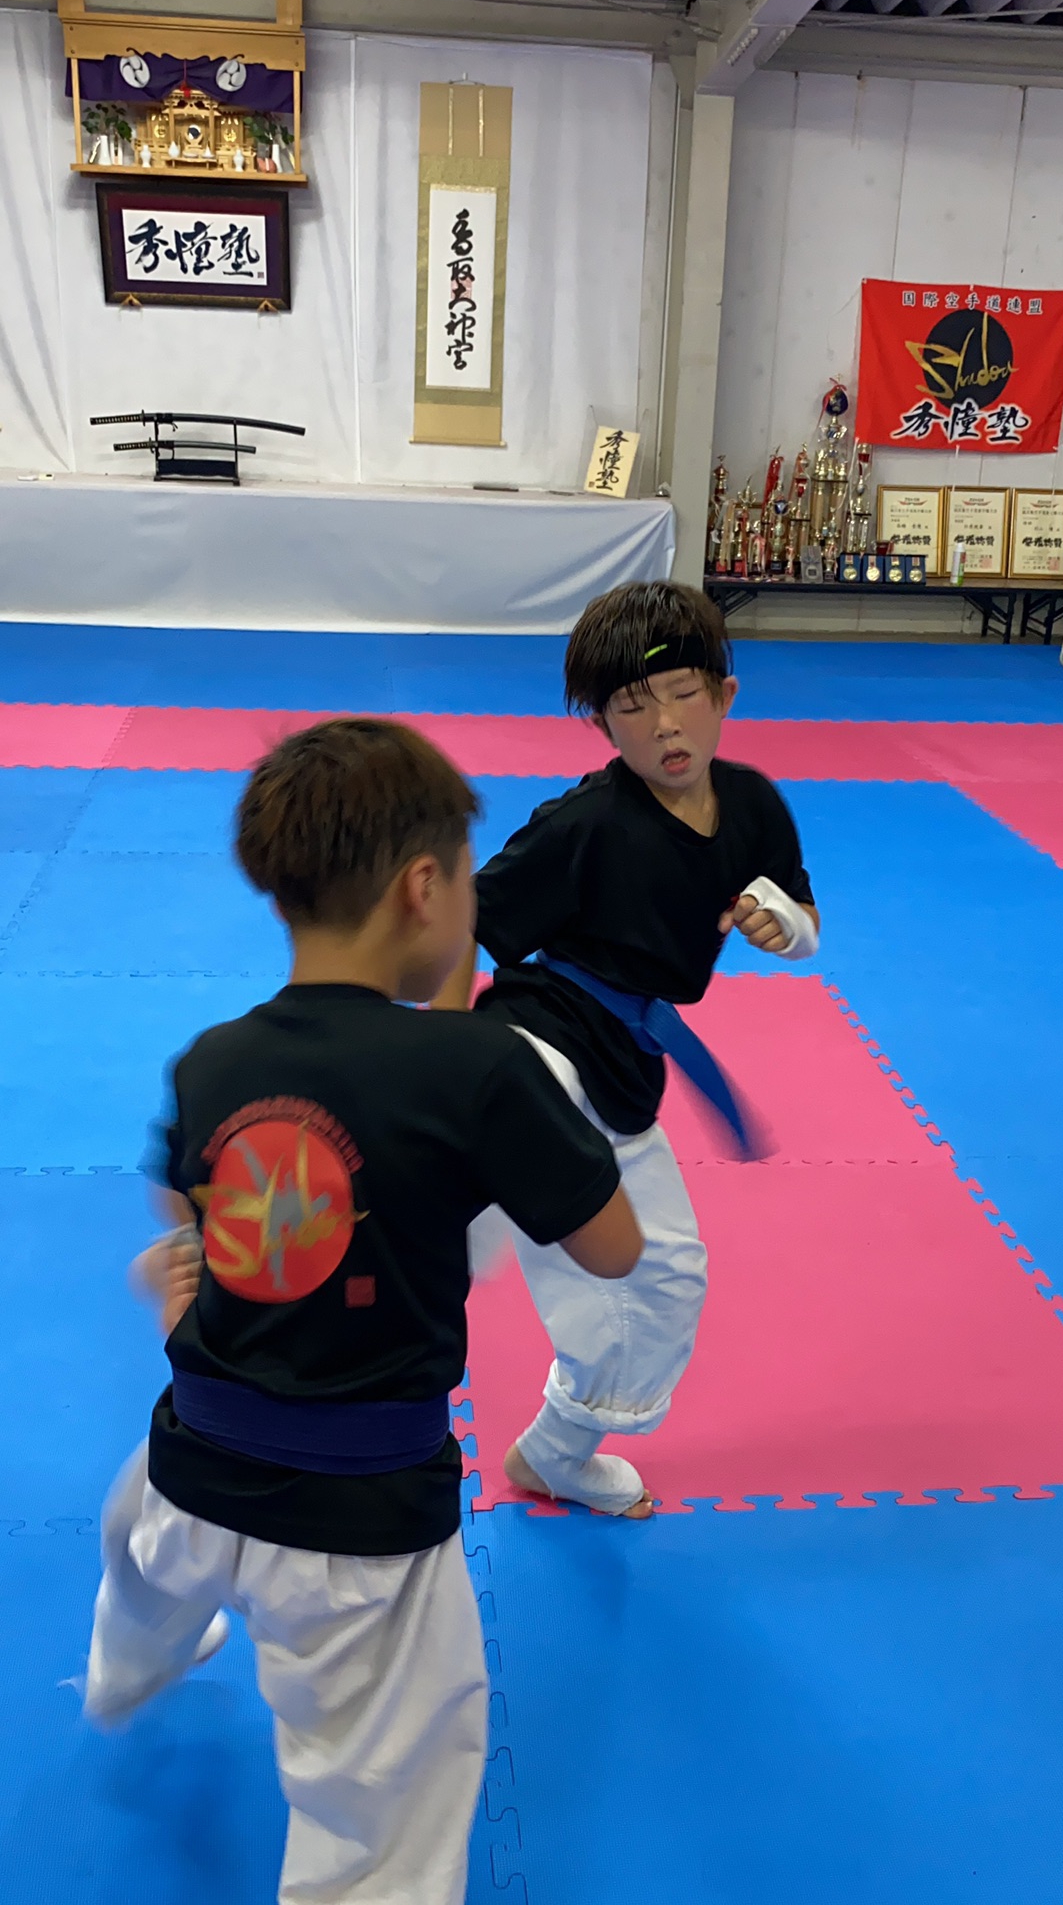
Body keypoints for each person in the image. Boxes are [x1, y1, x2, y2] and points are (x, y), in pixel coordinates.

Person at [85, 717, 642, 1905]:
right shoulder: (479, 1070)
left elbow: (187, 1210)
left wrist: (187, 1269)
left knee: (142, 1567)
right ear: (423, 888)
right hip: (359, 1524)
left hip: (189, 1470)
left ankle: (122, 1674)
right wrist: (519, 1113)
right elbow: (612, 1248)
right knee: (385, 1815)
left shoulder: (212, 1058)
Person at [433, 582, 819, 1521]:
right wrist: (430, 1058)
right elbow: (459, 925)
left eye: (683, 693)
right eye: (634, 707)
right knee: (436, 1232)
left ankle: (554, 1452)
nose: (665, 724)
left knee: (668, 1274)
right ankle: (319, 1376)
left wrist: (784, 924)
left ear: (724, 695)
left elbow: (803, 914)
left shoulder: (753, 807)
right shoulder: (586, 824)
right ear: (603, 726)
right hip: (534, 1046)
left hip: (624, 1068)